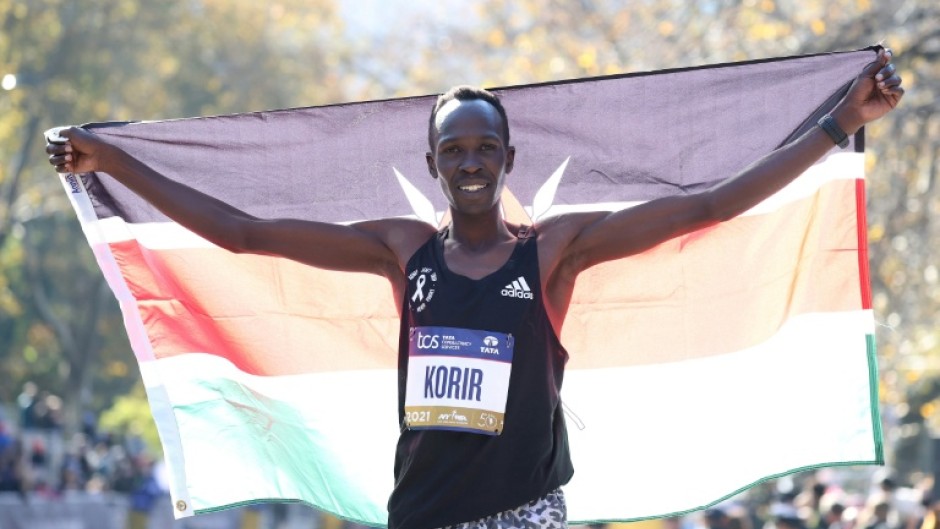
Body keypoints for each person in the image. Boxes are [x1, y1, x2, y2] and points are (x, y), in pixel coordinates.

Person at [46, 49, 904, 529]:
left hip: (523, 511)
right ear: (431, 163)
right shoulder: (402, 250)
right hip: (420, 512)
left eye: (483, 148)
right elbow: (244, 235)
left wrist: (839, 124)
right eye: (452, 149)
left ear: (507, 160)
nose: (469, 162)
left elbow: (709, 204)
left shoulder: (554, 250)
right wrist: (114, 159)